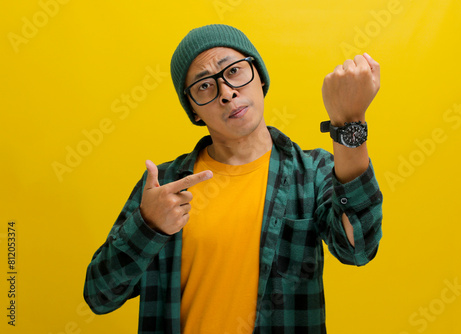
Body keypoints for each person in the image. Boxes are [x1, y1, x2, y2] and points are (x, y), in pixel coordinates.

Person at [84, 24, 383, 333]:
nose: (226, 93)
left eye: (234, 71)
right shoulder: (165, 186)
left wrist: (349, 123)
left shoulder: (311, 171)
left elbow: (358, 247)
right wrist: (148, 226)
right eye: (204, 86)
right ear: (194, 111)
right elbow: (99, 296)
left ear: (260, 76)